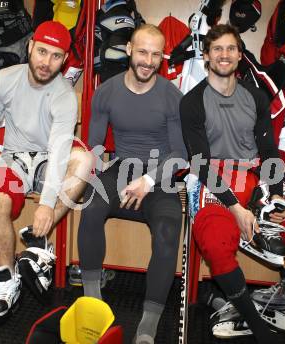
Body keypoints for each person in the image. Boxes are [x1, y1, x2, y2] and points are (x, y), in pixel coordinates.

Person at [180, 24, 285, 344]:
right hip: (215, 178)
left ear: (239, 54)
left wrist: (276, 196)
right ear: (206, 55)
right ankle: (260, 331)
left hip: (256, 175)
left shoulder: (255, 96)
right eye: (217, 49)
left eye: (231, 48)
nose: (225, 54)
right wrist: (235, 207)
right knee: (214, 239)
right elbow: (200, 162)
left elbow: (268, 152)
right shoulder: (192, 102)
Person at [0, 21, 94, 319]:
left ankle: (38, 242)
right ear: (30, 47)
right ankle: (6, 279)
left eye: (56, 56)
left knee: (85, 160)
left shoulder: (65, 95)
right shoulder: (4, 80)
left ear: (65, 59)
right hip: (13, 159)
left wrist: (46, 207)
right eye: (42, 51)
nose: (46, 62)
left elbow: (58, 153)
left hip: (46, 161)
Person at [77, 24, 187, 344]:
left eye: (156, 54)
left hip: (161, 177)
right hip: (122, 169)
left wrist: (149, 180)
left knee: (169, 231)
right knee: (91, 205)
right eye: (142, 52)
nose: (148, 61)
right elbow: (94, 148)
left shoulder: (171, 97)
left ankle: (148, 325)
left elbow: (180, 155)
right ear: (128, 50)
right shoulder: (106, 91)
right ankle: (93, 304)